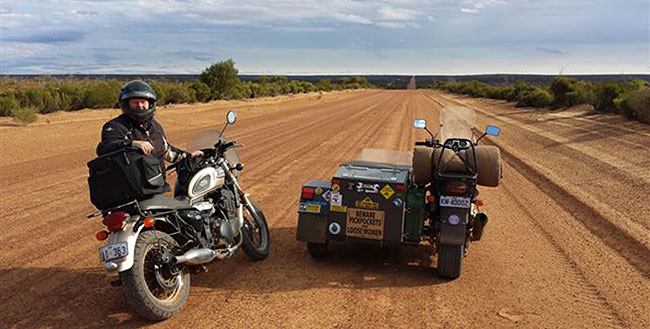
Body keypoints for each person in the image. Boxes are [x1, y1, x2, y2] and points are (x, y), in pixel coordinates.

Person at [96, 80, 201, 191]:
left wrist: (189, 156)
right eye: (135, 102)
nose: (140, 106)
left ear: (150, 104)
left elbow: (166, 151)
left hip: (156, 188)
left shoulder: (155, 127)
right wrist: (132, 144)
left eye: (143, 102)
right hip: (131, 192)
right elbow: (105, 147)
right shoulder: (115, 126)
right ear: (126, 104)